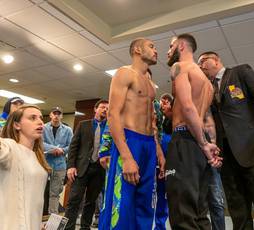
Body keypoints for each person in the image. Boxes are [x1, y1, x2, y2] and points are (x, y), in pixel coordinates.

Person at [198, 51, 254, 230]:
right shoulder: (208, 89)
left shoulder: (240, 73)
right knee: (238, 212)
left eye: (203, 61)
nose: (200, 66)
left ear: (215, 60)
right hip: (227, 157)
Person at [99, 37, 165, 230]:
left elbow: (153, 122)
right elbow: (113, 114)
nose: (156, 51)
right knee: (122, 203)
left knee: (146, 203)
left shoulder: (151, 86)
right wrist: (126, 156)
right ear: (137, 49)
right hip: (130, 140)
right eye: (151, 46)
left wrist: (158, 150)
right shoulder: (124, 73)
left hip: (149, 145)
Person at [165, 34, 222, 229]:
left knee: (182, 210)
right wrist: (209, 145)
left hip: (185, 139)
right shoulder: (207, 82)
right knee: (199, 211)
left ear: (181, 46)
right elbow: (207, 120)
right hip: (200, 143)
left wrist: (204, 145)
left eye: (171, 46)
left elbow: (188, 108)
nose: (167, 51)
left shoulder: (180, 67)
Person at [0, 105, 50, 230]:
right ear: (17, 125)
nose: (40, 122)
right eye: (32, 118)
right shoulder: (9, 146)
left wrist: (38, 224)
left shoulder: (38, 157)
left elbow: (35, 200)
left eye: (40, 118)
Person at [64, 99, 108, 230]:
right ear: (95, 109)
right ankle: (69, 227)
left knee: (91, 201)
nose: (105, 110)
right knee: (74, 200)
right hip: (81, 168)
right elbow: (73, 147)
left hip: (100, 169)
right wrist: (70, 166)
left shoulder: (111, 128)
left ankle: (85, 227)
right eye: (102, 107)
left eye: (107, 108)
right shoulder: (83, 125)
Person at [43, 106, 73, 214]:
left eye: (58, 114)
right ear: (50, 115)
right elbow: (40, 143)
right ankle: (37, 214)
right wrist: (53, 149)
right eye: (54, 113)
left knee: (55, 193)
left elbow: (71, 145)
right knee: (39, 190)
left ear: (61, 116)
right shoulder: (43, 128)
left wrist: (62, 150)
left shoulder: (68, 130)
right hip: (44, 163)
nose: (56, 115)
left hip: (60, 165)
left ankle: (52, 217)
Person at [154, 93, 173, 230]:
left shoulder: (177, 121)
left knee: (170, 197)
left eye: (166, 102)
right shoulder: (159, 122)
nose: (162, 105)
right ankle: (159, 226)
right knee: (160, 197)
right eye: (162, 102)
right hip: (158, 164)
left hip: (173, 166)